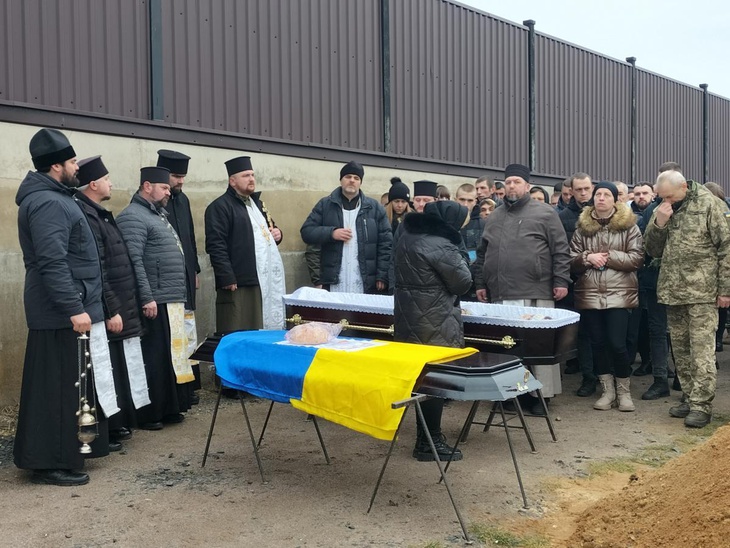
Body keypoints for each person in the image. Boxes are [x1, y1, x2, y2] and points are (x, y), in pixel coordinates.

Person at [14, 128, 107, 486]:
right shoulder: (49, 203)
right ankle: (47, 463)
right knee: (53, 389)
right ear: (56, 166)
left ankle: (68, 453)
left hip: (64, 309)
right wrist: (73, 307)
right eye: (72, 161)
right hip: (57, 313)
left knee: (68, 386)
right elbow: (52, 262)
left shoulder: (56, 197)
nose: (77, 167)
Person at [474, 163, 571, 414]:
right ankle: (510, 394)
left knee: (538, 346)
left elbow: (560, 249)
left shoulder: (545, 213)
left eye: (517, 182)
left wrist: (561, 280)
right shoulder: (494, 216)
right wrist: (480, 283)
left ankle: (540, 396)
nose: (511, 186)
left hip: (535, 290)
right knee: (507, 346)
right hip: (501, 292)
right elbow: (483, 253)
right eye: (508, 182)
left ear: (527, 186)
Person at [645, 170, 730, 427]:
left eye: (670, 196)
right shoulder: (663, 209)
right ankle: (689, 397)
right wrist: (659, 223)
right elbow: (652, 250)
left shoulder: (709, 204)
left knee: (701, 351)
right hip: (673, 291)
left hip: (703, 291)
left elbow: (726, 247)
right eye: (662, 197)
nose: (666, 201)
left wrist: (725, 289)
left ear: (684, 186)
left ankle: (702, 406)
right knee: (681, 350)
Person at [75, 156, 150, 446]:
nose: (111, 183)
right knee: (106, 369)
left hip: (120, 303)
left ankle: (119, 423)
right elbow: (100, 268)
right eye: (106, 179)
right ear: (93, 184)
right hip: (109, 307)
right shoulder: (88, 216)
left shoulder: (99, 213)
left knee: (118, 367)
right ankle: (110, 427)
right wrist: (111, 309)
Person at [393, 200, 473, 461]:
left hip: (409, 314)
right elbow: (462, 283)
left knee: (421, 378)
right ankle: (429, 442)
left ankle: (425, 438)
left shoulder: (407, 236)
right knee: (435, 380)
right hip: (435, 318)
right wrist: (462, 255)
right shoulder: (440, 244)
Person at [117, 166, 193, 430]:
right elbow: (133, 261)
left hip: (169, 297)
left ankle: (169, 407)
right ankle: (150, 413)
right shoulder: (132, 217)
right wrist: (146, 297)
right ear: (147, 186)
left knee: (169, 357)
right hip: (154, 299)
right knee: (154, 357)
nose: (168, 193)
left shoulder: (157, 214)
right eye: (164, 188)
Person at [569, 182, 644, 412]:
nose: (601, 198)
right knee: (597, 344)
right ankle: (607, 391)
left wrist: (608, 256)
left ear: (615, 200)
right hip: (590, 294)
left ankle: (624, 391)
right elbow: (571, 261)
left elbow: (637, 258)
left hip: (619, 294)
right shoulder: (582, 229)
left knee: (617, 344)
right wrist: (587, 258)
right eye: (598, 194)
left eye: (606, 195)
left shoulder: (629, 227)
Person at [205, 156, 286, 333]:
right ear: (232, 181)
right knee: (238, 327)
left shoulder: (258, 204)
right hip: (238, 281)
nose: (251, 179)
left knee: (261, 328)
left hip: (264, 280)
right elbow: (216, 244)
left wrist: (278, 234)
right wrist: (226, 276)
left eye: (252, 175)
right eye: (246, 175)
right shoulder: (220, 207)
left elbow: (269, 230)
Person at [300, 161, 392, 294]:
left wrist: (382, 275)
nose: (352, 181)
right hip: (334, 278)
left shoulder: (374, 208)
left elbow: (386, 243)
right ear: (341, 180)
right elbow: (307, 231)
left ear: (360, 182)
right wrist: (331, 233)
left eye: (356, 178)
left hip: (364, 279)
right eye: (348, 177)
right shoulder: (325, 205)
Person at [157, 149, 202, 404]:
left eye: (183, 177)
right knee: (175, 333)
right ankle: (177, 387)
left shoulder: (183, 200)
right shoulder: (156, 203)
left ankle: (190, 385)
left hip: (186, 274)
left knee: (189, 329)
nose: (180, 182)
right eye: (176, 177)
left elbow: (190, 238)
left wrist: (195, 269)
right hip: (168, 280)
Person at [558, 174, 597, 396]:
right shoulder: (563, 217)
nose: (583, 193)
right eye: (578, 189)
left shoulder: (604, 212)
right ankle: (588, 377)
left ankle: (606, 376)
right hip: (577, 282)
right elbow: (561, 252)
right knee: (583, 334)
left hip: (603, 282)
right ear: (571, 191)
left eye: (586, 188)